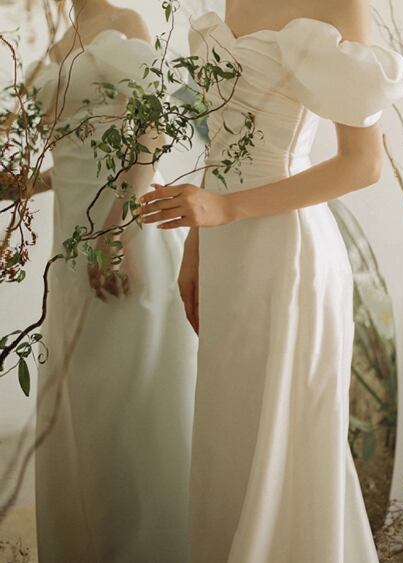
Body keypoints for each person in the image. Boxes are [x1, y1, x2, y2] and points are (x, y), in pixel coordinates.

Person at [137, 0, 403, 561]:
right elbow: (222, 146)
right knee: (231, 428)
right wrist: (197, 244)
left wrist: (225, 210)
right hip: (226, 249)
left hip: (288, 252)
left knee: (287, 432)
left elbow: (363, 164)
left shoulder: (339, 5)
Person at [5, 1, 198, 561]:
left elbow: (153, 131)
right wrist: (27, 185)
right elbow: (75, 151)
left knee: (130, 395)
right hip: (69, 240)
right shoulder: (58, 41)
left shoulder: (126, 23)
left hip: (121, 228)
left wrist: (114, 234)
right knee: (85, 400)